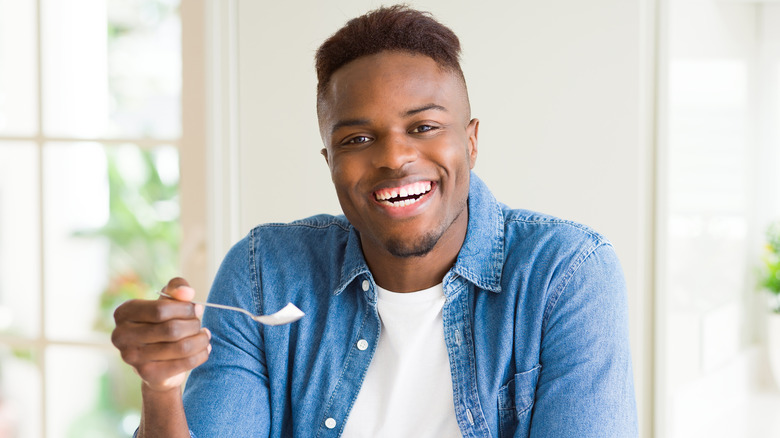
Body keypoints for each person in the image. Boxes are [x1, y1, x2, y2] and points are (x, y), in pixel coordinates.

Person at [112, 5, 637, 437]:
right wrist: (161, 390)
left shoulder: (565, 274)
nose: (394, 157)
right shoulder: (265, 272)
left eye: (424, 126)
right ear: (329, 161)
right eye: (357, 139)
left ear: (471, 141)